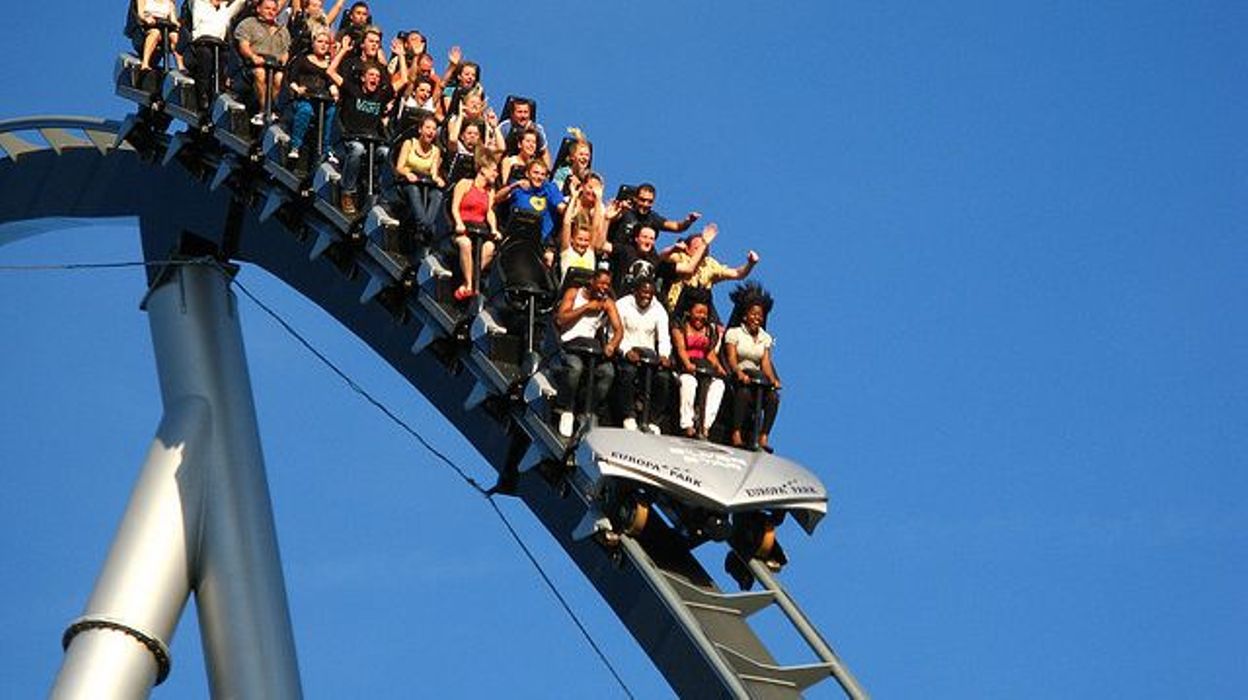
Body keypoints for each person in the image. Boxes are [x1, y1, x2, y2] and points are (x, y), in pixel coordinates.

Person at [553, 269, 623, 438]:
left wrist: (612, 345)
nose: (604, 288)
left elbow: (619, 329)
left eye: (607, 284)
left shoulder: (607, 303)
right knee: (575, 368)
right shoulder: (574, 293)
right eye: (601, 283)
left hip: (591, 349)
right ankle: (566, 409)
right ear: (592, 282)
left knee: (608, 372)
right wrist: (586, 308)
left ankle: (588, 409)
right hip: (569, 345)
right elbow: (560, 319)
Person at [326, 43, 393, 215]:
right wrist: (343, 51)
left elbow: (403, 81)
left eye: (377, 76)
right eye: (371, 75)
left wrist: (397, 56)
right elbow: (331, 72)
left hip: (373, 141)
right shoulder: (352, 89)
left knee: (386, 153)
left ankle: (379, 192)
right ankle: (348, 192)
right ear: (363, 78)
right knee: (357, 149)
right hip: (349, 139)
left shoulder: (380, 95)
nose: (375, 79)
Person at [723, 283, 781, 451]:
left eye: (760, 315)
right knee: (744, 394)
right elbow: (731, 358)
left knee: (773, 398)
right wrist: (739, 373)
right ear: (745, 316)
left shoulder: (765, 338)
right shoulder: (734, 334)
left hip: (758, 378)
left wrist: (773, 380)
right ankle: (737, 433)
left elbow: (765, 362)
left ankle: (764, 436)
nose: (757, 318)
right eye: (754, 314)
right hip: (739, 375)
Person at [613, 278, 673, 433]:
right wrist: (626, 351)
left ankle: (653, 419)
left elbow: (664, 338)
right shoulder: (622, 305)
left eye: (650, 293)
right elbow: (614, 332)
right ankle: (629, 415)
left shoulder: (659, 309)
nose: (647, 296)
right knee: (628, 372)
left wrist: (664, 355)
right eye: (644, 292)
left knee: (664, 378)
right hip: (626, 352)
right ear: (635, 292)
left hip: (649, 356)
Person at [609, 223, 714, 305]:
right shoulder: (625, 251)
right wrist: (606, 219)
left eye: (651, 239)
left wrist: (704, 244)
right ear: (636, 238)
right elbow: (600, 245)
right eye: (645, 237)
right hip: (621, 304)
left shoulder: (656, 262)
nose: (648, 241)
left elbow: (688, 268)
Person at [671, 292, 727, 439]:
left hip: (705, 368)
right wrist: (688, 364)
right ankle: (687, 424)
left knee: (719, 385)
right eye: (698, 312)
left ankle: (705, 424)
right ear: (690, 312)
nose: (701, 316)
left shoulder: (709, 330)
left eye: (704, 313)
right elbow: (681, 349)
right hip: (686, 368)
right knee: (689, 383)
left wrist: (720, 369)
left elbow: (709, 353)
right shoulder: (680, 326)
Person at [449, 148, 502, 300]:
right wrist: (459, 223)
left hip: (479, 231)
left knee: (490, 247)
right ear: (482, 170)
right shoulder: (465, 184)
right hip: (462, 230)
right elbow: (454, 207)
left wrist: (494, 229)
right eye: (493, 170)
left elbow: (489, 212)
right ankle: (468, 284)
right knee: (465, 244)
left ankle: (472, 277)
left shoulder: (490, 191)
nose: (496, 174)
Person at [664, 226, 758, 312]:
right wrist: (674, 248)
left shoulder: (710, 264)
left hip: (699, 313)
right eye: (697, 248)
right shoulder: (680, 257)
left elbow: (737, 273)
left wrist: (750, 264)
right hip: (676, 310)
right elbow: (663, 258)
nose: (702, 251)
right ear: (687, 249)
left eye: (705, 248)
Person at [234, 0, 291, 124]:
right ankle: (264, 110)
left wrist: (284, 58)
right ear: (259, 9)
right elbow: (243, 46)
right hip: (253, 65)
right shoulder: (248, 24)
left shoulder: (282, 31)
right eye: (267, 8)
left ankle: (274, 109)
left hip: (275, 66)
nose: (270, 12)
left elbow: (285, 51)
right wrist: (252, 56)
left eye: (273, 10)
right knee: (260, 73)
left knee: (280, 77)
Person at [284, 29, 338, 161]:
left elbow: (330, 82)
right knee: (305, 110)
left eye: (326, 42)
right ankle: (295, 146)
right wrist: (297, 89)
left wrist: (334, 90)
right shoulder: (302, 60)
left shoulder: (329, 65)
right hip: (305, 98)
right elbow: (291, 79)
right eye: (320, 41)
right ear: (313, 43)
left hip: (323, 99)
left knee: (332, 111)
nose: (323, 45)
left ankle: (327, 148)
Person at [188, 0, 248, 111]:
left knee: (224, 58)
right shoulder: (199, 4)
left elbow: (240, 2)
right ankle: (202, 95)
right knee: (205, 58)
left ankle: (219, 90)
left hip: (219, 45)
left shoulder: (225, 10)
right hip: (202, 42)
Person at [393, 114, 446, 238]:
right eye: (428, 128)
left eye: (433, 129)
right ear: (420, 129)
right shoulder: (409, 143)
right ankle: (424, 226)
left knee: (438, 194)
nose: (431, 132)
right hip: (406, 183)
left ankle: (425, 225)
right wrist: (408, 173)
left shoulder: (435, 151)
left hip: (424, 185)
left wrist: (438, 179)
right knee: (413, 189)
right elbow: (399, 167)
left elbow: (433, 173)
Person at [607, 183, 701, 250]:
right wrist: (618, 210)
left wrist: (688, 221)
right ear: (635, 199)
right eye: (642, 200)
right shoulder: (625, 211)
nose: (645, 204)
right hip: (615, 253)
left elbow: (676, 226)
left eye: (649, 201)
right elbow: (611, 218)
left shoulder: (653, 218)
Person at [496, 158, 565, 246]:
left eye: (543, 174)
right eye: (535, 173)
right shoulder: (518, 187)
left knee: (549, 257)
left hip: (540, 243)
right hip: (515, 239)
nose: (539, 177)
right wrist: (514, 186)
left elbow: (561, 207)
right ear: (527, 174)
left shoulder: (550, 189)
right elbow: (497, 199)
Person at [135, 0, 184, 72]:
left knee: (174, 36)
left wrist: (179, 26)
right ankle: (145, 63)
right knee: (155, 33)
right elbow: (140, 14)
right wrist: (147, 19)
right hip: (149, 26)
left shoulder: (169, 3)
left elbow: (173, 19)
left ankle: (181, 66)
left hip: (164, 27)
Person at [498, 97, 549, 164]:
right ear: (513, 114)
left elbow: (544, 152)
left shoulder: (537, 129)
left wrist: (548, 172)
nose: (523, 116)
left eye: (526, 112)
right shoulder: (504, 127)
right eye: (519, 112)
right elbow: (497, 150)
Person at [551, 130, 592, 195]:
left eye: (587, 155)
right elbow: (555, 194)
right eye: (581, 154)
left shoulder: (589, 177)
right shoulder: (563, 173)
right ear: (572, 157)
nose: (584, 158)